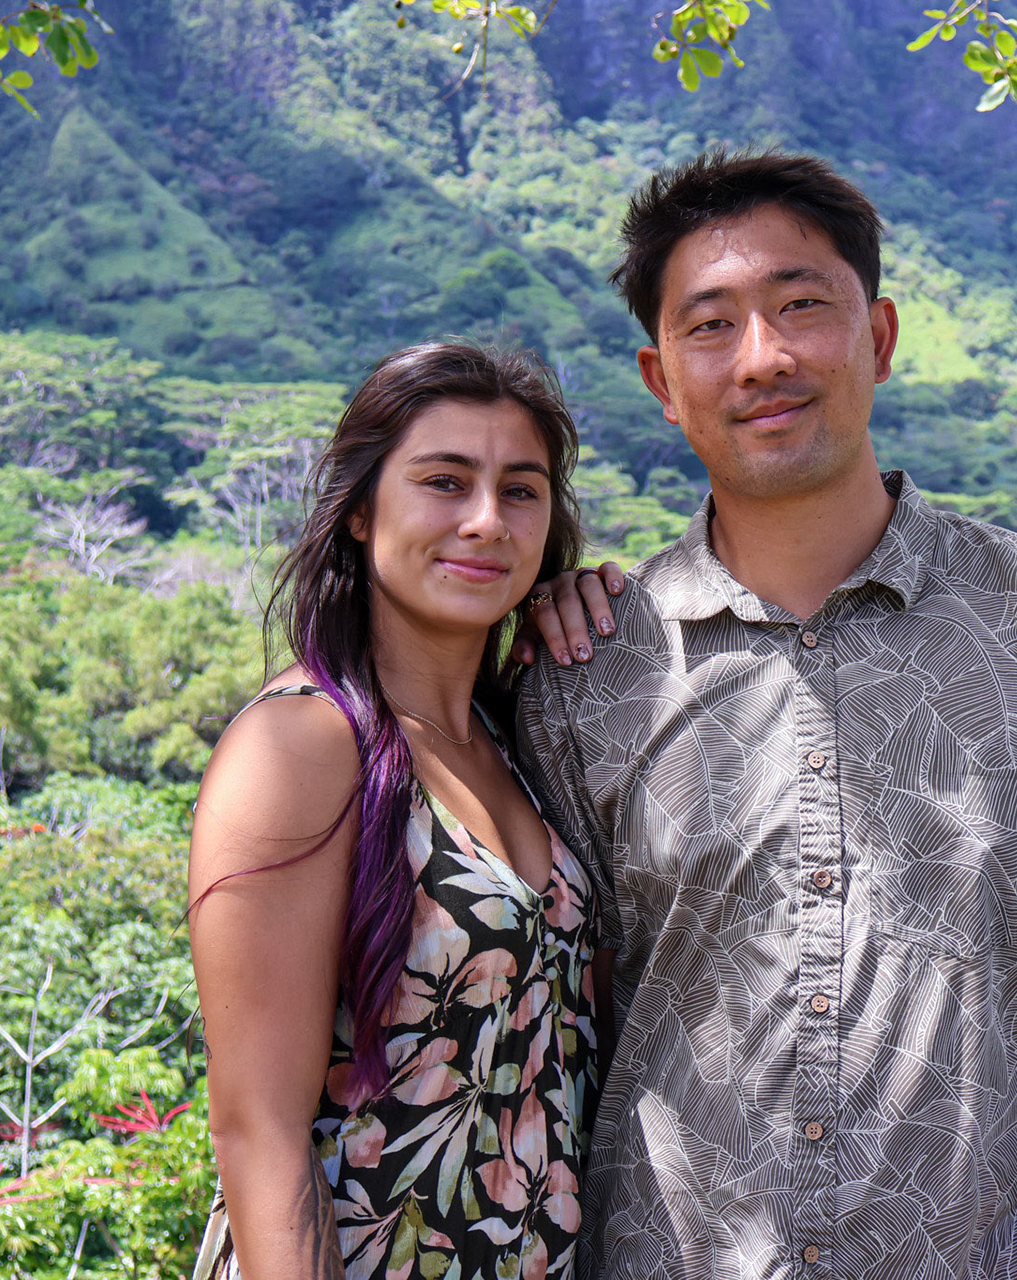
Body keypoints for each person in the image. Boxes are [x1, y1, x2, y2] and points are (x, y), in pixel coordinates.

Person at [512, 152, 1017, 1279]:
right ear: (662, 380)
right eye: (711, 326)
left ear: (882, 335)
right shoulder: (589, 673)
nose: (763, 356)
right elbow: (572, 1024)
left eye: (803, 305)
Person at [188, 342, 601, 1280]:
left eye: (521, 490)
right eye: (445, 482)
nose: (486, 521)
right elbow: (258, 1127)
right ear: (361, 510)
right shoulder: (302, 743)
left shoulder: (515, 740)